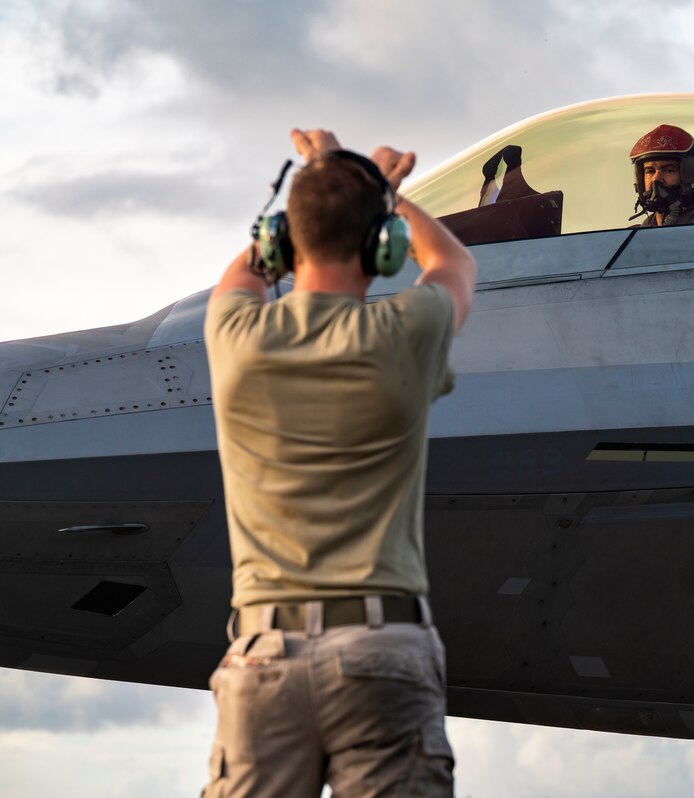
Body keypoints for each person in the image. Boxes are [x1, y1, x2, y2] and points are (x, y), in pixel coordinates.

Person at [201, 128, 477, 798]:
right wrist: (389, 192)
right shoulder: (407, 332)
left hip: (263, 659)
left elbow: (247, 269)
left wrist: (321, 176)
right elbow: (455, 264)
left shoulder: (233, 335)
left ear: (283, 244)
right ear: (381, 248)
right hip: (382, 651)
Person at [629, 123, 694, 227]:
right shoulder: (639, 235)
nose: (656, 179)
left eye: (669, 170)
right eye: (650, 171)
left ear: (691, 178)